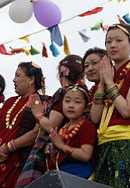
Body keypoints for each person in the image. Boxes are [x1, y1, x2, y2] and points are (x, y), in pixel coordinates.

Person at [16, 55, 84, 188]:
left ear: (61, 73)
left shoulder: (65, 93)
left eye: (18, 75)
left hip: (56, 154)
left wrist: (38, 114)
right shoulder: (85, 93)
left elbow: (51, 126)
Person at [91, 23, 130, 187]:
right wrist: (102, 83)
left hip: (126, 143)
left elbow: (127, 110)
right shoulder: (107, 75)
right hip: (103, 144)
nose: (112, 45)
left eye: (119, 40)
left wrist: (109, 82)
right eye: (108, 41)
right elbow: (94, 117)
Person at [0, 62, 49, 188]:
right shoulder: (10, 101)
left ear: (31, 80)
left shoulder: (42, 102)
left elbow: (36, 132)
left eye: (17, 75)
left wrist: (8, 148)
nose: (13, 79)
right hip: (0, 160)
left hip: (21, 161)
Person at [49, 84, 96, 178]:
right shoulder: (64, 128)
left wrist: (62, 146)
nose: (71, 105)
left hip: (81, 175)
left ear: (86, 107)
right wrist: (54, 149)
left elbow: (85, 155)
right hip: (63, 174)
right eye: (67, 101)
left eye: (77, 102)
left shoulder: (86, 125)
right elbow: (59, 160)